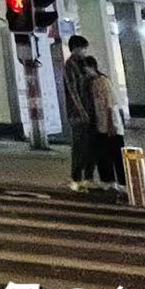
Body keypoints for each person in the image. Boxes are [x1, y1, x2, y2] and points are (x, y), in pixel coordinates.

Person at [84, 55, 127, 196]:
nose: (84, 72)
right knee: (103, 154)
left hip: (110, 123)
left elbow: (109, 105)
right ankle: (108, 181)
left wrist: (110, 125)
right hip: (99, 124)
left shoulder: (103, 81)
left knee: (116, 154)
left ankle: (122, 182)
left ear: (92, 67)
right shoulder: (92, 83)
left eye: (85, 68)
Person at [63, 34, 97, 191]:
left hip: (90, 110)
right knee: (79, 146)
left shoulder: (83, 63)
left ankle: (88, 178)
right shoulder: (70, 65)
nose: (84, 51)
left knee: (91, 146)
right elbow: (72, 91)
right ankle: (76, 178)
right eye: (82, 48)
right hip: (77, 114)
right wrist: (81, 111)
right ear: (75, 48)